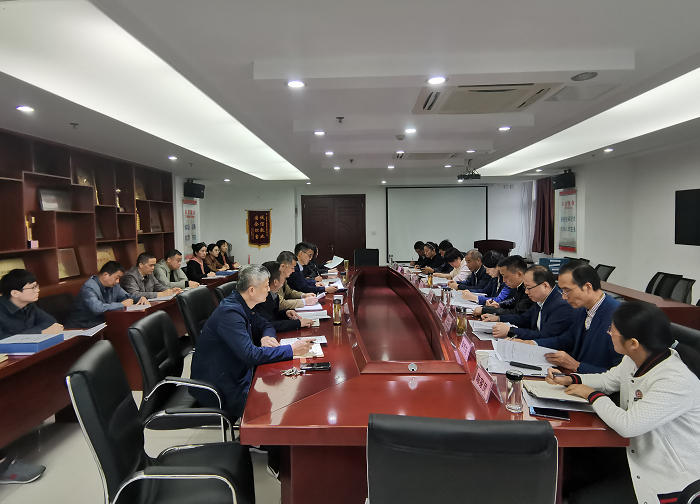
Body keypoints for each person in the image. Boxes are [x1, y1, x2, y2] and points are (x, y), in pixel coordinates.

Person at [546, 302, 700, 504]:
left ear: (633, 343)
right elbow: (608, 381)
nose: (609, 333)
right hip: (636, 455)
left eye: (612, 330)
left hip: (670, 475)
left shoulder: (674, 379)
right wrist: (571, 379)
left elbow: (628, 425)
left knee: (583, 498)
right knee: (566, 475)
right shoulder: (635, 358)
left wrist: (591, 395)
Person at [189, 265, 313, 478]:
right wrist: (291, 350)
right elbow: (250, 355)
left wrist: (266, 336)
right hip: (218, 385)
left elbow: (265, 324)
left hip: (235, 372)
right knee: (279, 399)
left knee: (279, 386)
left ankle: (263, 439)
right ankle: (277, 463)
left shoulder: (244, 304)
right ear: (252, 290)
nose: (269, 289)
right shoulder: (230, 313)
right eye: (265, 286)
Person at [517, 262, 622, 374]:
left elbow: (620, 375)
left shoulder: (618, 317)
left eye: (567, 291)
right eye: (562, 291)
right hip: (574, 377)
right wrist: (533, 344)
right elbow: (567, 339)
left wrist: (576, 366)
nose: (563, 296)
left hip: (595, 381)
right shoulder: (582, 309)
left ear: (587, 287)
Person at [486, 265, 574, 340]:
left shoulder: (561, 305)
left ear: (545, 286)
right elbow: (524, 318)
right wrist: (498, 318)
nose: (526, 292)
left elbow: (546, 336)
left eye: (529, 288)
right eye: (525, 288)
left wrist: (511, 331)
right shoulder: (540, 299)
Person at [67, 261, 148, 328]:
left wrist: (140, 298)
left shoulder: (114, 286)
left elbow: (127, 297)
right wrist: (122, 304)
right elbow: (97, 308)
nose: (117, 281)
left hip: (100, 322)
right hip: (82, 325)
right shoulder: (89, 288)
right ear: (105, 275)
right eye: (116, 278)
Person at [0, 269, 62, 339]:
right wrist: (40, 332)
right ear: (15, 293)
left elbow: (51, 322)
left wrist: (31, 333)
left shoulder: (28, 304)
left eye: (36, 286)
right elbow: (3, 339)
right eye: (33, 287)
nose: (37, 290)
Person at [256, 261, 313, 332]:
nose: (285, 275)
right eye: (282, 273)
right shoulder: (260, 299)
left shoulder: (273, 295)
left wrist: (285, 313)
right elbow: (270, 324)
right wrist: (298, 323)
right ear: (275, 282)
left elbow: (273, 316)